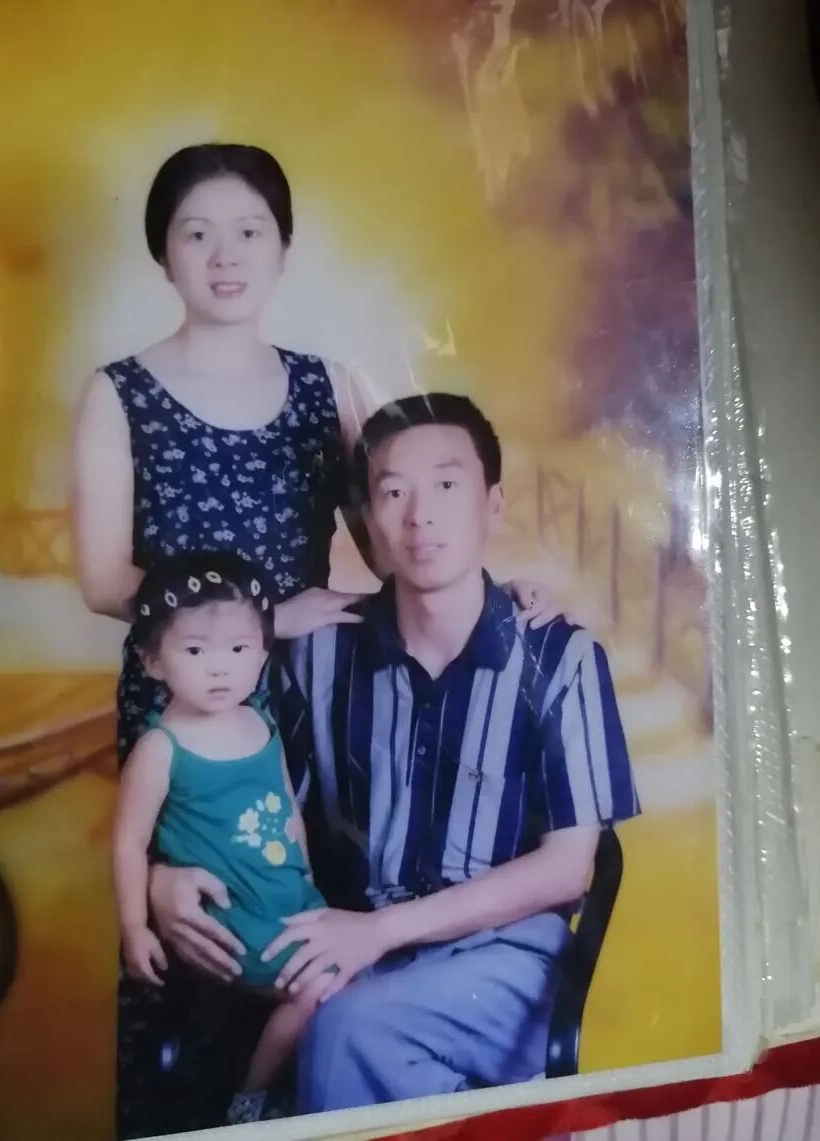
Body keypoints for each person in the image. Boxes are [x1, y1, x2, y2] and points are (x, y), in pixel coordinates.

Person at [70, 144, 554, 1134]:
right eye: (196, 233)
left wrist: (496, 592)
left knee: (316, 939)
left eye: (249, 230)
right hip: (188, 706)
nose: (225, 254)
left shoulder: (324, 386)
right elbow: (103, 577)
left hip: (317, 699)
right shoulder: (117, 392)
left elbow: (407, 532)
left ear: (283, 246)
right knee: (193, 942)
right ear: (162, 253)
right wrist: (256, 618)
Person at [253, 393, 642, 1111]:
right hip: (359, 948)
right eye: (393, 492)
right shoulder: (318, 656)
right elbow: (256, 807)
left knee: (347, 1033)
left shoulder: (558, 657)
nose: (419, 515)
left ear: (492, 505)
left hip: (505, 962)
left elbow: (568, 867)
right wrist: (170, 880)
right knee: (309, 1026)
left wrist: (382, 931)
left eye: (446, 485)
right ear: (368, 517)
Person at [112, 552, 337, 1126]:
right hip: (232, 921)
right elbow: (129, 843)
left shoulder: (259, 720)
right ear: (153, 660)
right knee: (322, 985)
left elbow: (288, 808)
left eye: (238, 649)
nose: (219, 669)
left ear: (263, 653)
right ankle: (250, 1100)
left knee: (341, 969)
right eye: (195, 651)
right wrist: (135, 927)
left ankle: (289, 1096)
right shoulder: (161, 748)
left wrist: (308, 881)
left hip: (286, 898)